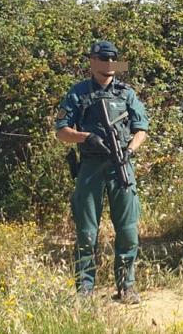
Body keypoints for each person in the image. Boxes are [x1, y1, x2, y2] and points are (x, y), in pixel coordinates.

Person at [53, 40, 149, 303]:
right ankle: (85, 288)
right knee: (86, 231)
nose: (109, 64)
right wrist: (86, 137)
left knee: (128, 229)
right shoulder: (79, 93)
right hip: (91, 166)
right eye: (103, 59)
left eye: (113, 59)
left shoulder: (126, 93)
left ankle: (126, 286)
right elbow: (61, 131)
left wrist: (130, 150)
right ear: (92, 62)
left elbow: (141, 129)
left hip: (121, 166)